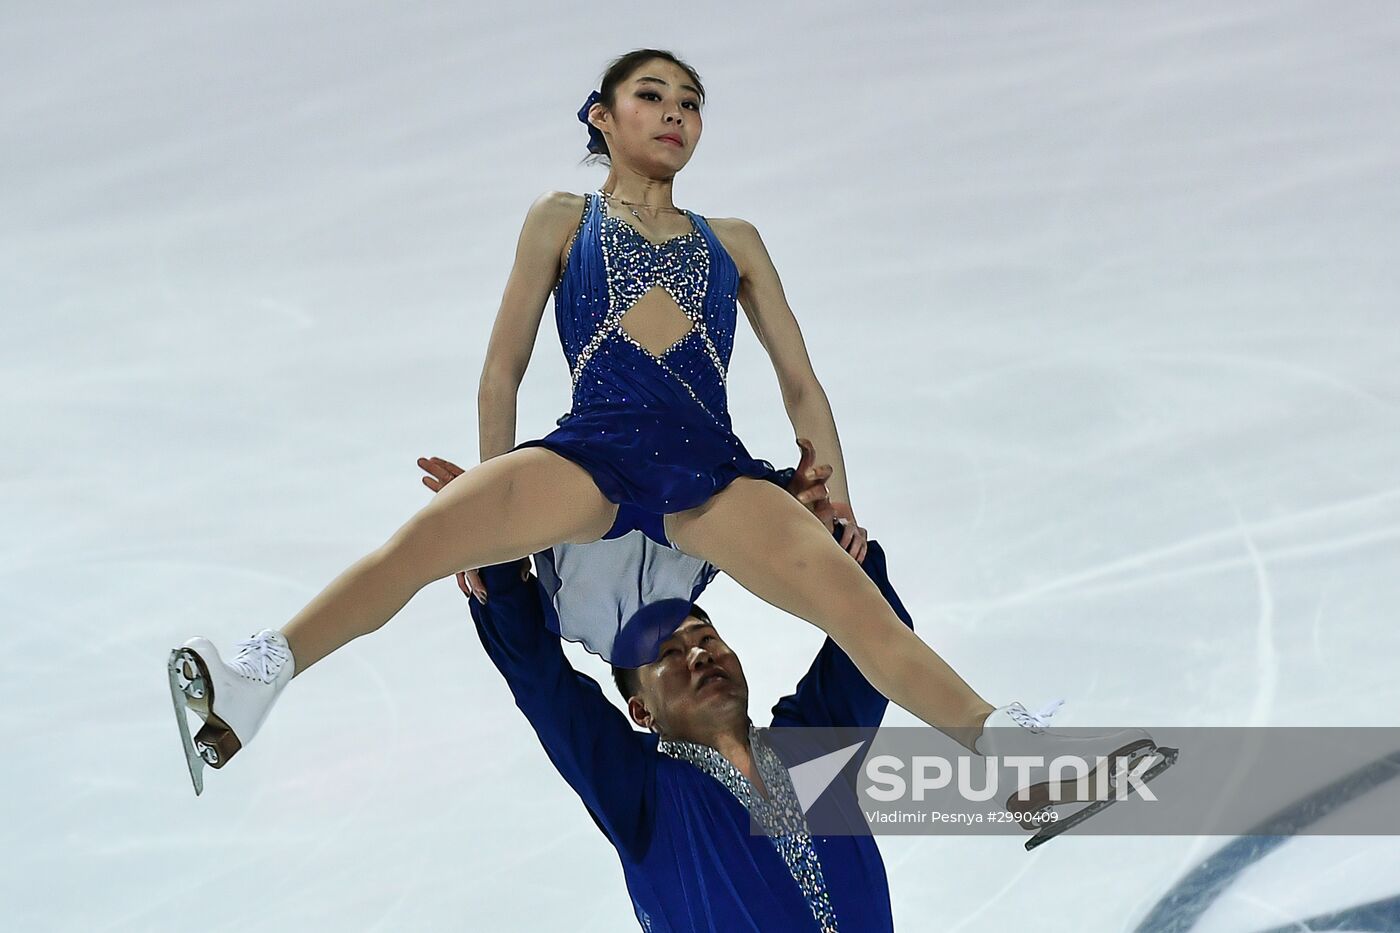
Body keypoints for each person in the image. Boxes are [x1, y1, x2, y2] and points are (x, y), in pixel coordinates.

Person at [167, 48, 1169, 810]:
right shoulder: (559, 219)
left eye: (691, 103)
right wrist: (495, 500)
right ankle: (259, 673)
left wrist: (835, 498)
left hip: (710, 472)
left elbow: (800, 382)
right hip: (588, 452)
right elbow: (500, 367)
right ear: (601, 118)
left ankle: (1014, 761)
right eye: (653, 96)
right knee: (422, 548)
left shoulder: (733, 242)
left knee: (856, 610)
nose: (676, 114)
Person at [433, 448, 901, 932]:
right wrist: (496, 561)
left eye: (706, 639)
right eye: (669, 655)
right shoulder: (642, 793)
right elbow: (539, 679)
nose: (698, 654)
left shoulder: (812, 748)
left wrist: (819, 537)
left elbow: (878, 635)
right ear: (640, 710)